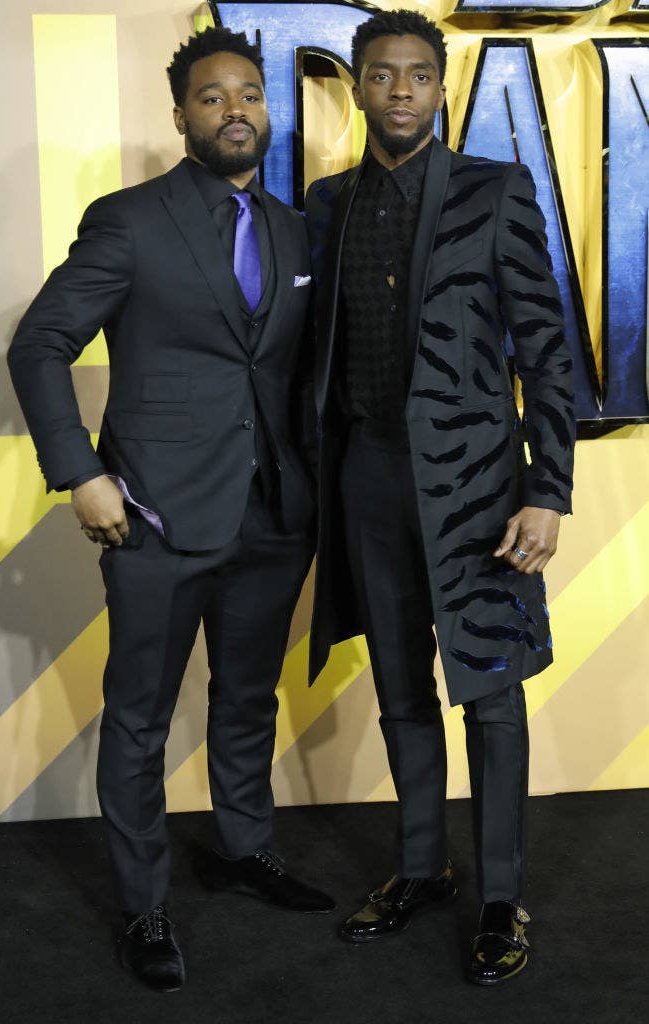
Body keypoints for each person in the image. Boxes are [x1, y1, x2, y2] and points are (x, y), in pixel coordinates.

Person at [8, 26, 333, 994]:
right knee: (141, 716)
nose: (234, 109)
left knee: (246, 698)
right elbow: (39, 347)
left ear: (265, 109)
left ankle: (239, 847)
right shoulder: (129, 219)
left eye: (248, 94)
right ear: (181, 115)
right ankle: (144, 902)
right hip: (151, 513)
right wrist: (81, 474)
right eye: (211, 97)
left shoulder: (288, 227)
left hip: (273, 512)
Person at [305, 9, 574, 985]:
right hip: (366, 483)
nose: (403, 90)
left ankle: (499, 894)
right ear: (359, 87)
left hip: (476, 493)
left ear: (438, 85)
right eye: (383, 75)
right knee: (398, 690)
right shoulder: (326, 205)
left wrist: (547, 489)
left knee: (490, 696)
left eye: (419, 74)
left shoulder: (493, 191)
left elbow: (545, 349)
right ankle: (419, 868)